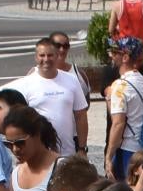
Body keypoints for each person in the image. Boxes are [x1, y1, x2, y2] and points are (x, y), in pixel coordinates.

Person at [9, 30, 93, 159]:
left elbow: (81, 115)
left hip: (67, 153)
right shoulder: (26, 83)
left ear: (56, 55)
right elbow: (20, 121)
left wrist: (82, 148)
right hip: (37, 154)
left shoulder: (72, 80)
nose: (46, 59)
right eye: (42, 55)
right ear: (36, 57)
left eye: (50, 55)